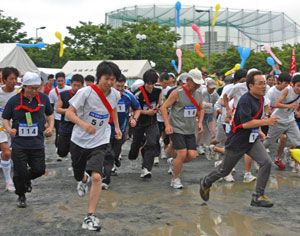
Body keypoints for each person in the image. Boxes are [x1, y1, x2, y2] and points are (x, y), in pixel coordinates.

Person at [200, 70, 278, 208]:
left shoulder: (260, 98)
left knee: (266, 162)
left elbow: (256, 119)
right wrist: (266, 123)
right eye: (260, 84)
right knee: (224, 170)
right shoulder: (245, 101)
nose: (264, 86)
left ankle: (258, 196)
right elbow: (246, 123)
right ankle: (206, 181)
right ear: (250, 86)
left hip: (252, 140)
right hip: (238, 141)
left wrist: (259, 130)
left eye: (264, 83)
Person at [65, 61, 122, 231]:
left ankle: (90, 216)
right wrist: (83, 125)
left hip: (100, 140)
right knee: (78, 173)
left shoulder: (116, 95)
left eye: (113, 79)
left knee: (98, 176)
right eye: (107, 78)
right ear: (99, 77)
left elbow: (113, 110)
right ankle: (83, 179)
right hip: (79, 140)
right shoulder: (85, 92)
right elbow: (69, 112)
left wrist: (117, 127)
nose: (110, 82)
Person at [2, 72, 54, 208]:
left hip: (37, 142)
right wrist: (8, 129)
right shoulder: (14, 100)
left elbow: (50, 114)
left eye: (37, 88)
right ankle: (21, 195)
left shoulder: (43, 98)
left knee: (39, 170)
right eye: (31, 88)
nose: (34, 91)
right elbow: (5, 117)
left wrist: (51, 127)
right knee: (20, 170)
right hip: (19, 143)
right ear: (24, 87)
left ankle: (24, 180)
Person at [162, 69, 204, 189]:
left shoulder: (198, 93)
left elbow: (201, 109)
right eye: (195, 83)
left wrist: (200, 122)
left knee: (192, 155)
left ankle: (174, 163)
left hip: (190, 129)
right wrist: (167, 125)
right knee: (182, 153)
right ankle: (175, 179)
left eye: (199, 84)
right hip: (177, 128)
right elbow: (164, 108)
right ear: (188, 81)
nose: (197, 86)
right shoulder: (177, 93)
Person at [102, 74, 141, 189]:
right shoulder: (105, 95)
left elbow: (137, 108)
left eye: (122, 87)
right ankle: (106, 178)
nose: (119, 89)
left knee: (114, 152)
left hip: (121, 130)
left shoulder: (128, 96)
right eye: (117, 86)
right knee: (107, 154)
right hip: (106, 129)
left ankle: (114, 160)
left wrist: (134, 119)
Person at [128, 69, 161, 178]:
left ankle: (146, 168)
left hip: (152, 122)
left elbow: (159, 104)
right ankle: (133, 156)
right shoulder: (138, 92)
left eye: (153, 84)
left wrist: (157, 108)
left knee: (152, 142)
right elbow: (132, 109)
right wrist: (146, 112)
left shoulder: (158, 91)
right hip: (139, 122)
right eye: (148, 84)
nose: (150, 86)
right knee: (136, 143)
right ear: (144, 82)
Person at [264, 73, 300, 172]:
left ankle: (295, 165)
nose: (299, 88)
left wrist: (296, 111)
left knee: (299, 143)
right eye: (298, 86)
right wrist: (290, 106)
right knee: (268, 142)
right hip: (278, 120)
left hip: (290, 121)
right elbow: (277, 104)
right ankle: (255, 154)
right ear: (293, 84)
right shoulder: (287, 90)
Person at [56, 74, 84, 159]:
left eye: (78, 86)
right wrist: (69, 111)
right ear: (71, 84)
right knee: (62, 152)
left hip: (78, 127)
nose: (76, 88)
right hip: (65, 126)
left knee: (76, 152)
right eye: (74, 85)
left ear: (82, 85)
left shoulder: (84, 95)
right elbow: (58, 109)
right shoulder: (63, 95)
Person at [0, 67, 19, 192]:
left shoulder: (19, 93)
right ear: (4, 80)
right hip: (1, 126)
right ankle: (8, 181)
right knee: (7, 152)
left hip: (15, 126)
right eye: (11, 78)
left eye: (16, 78)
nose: (14, 81)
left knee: (14, 154)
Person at [48, 72, 71, 157]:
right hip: (57, 116)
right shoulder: (52, 92)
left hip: (69, 115)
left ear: (65, 80)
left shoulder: (69, 89)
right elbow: (51, 106)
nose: (60, 82)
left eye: (62, 81)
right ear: (56, 81)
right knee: (59, 133)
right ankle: (59, 148)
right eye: (58, 81)